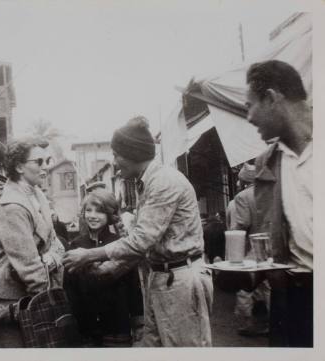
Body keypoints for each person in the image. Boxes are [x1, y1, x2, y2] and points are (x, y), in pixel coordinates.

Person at [63, 116, 213, 347]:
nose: (114, 162)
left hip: (180, 280)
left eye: (116, 154)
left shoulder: (164, 181)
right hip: (164, 279)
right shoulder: (148, 182)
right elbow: (145, 246)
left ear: (132, 154)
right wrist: (108, 270)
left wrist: (89, 255)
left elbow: (141, 240)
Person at [246, 60, 313, 347]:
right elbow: (268, 239)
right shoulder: (267, 163)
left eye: (250, 105)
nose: (249, 117)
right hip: (295, 298)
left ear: (272, 98)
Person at [0, 138, 65, 347]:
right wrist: (52, 302)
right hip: (11, 302)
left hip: (32, 294)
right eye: (38, 162)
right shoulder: (13, 206)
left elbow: (58, 245)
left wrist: (48, 261)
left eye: (47, 160)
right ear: (19, 166)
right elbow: (30, 268)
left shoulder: (37, 195)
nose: (46, 167)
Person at [64, 189, 143, 347]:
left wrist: (138, 321)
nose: (92, 215)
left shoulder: (120, 244)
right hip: (85, 327)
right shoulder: (76, 245)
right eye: (88, 210)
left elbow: (133, 287)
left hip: (116, 324)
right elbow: (69, 287)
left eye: (99, 211)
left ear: (109, 214)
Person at [229, 162, 270, 337]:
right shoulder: (270, 193)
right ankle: (276, 322)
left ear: (243, 181)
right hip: (273, 246)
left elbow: (241, 225)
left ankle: (246, 323)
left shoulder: (242, 197)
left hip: (254, 247)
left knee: (245, 288)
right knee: (270, 286)